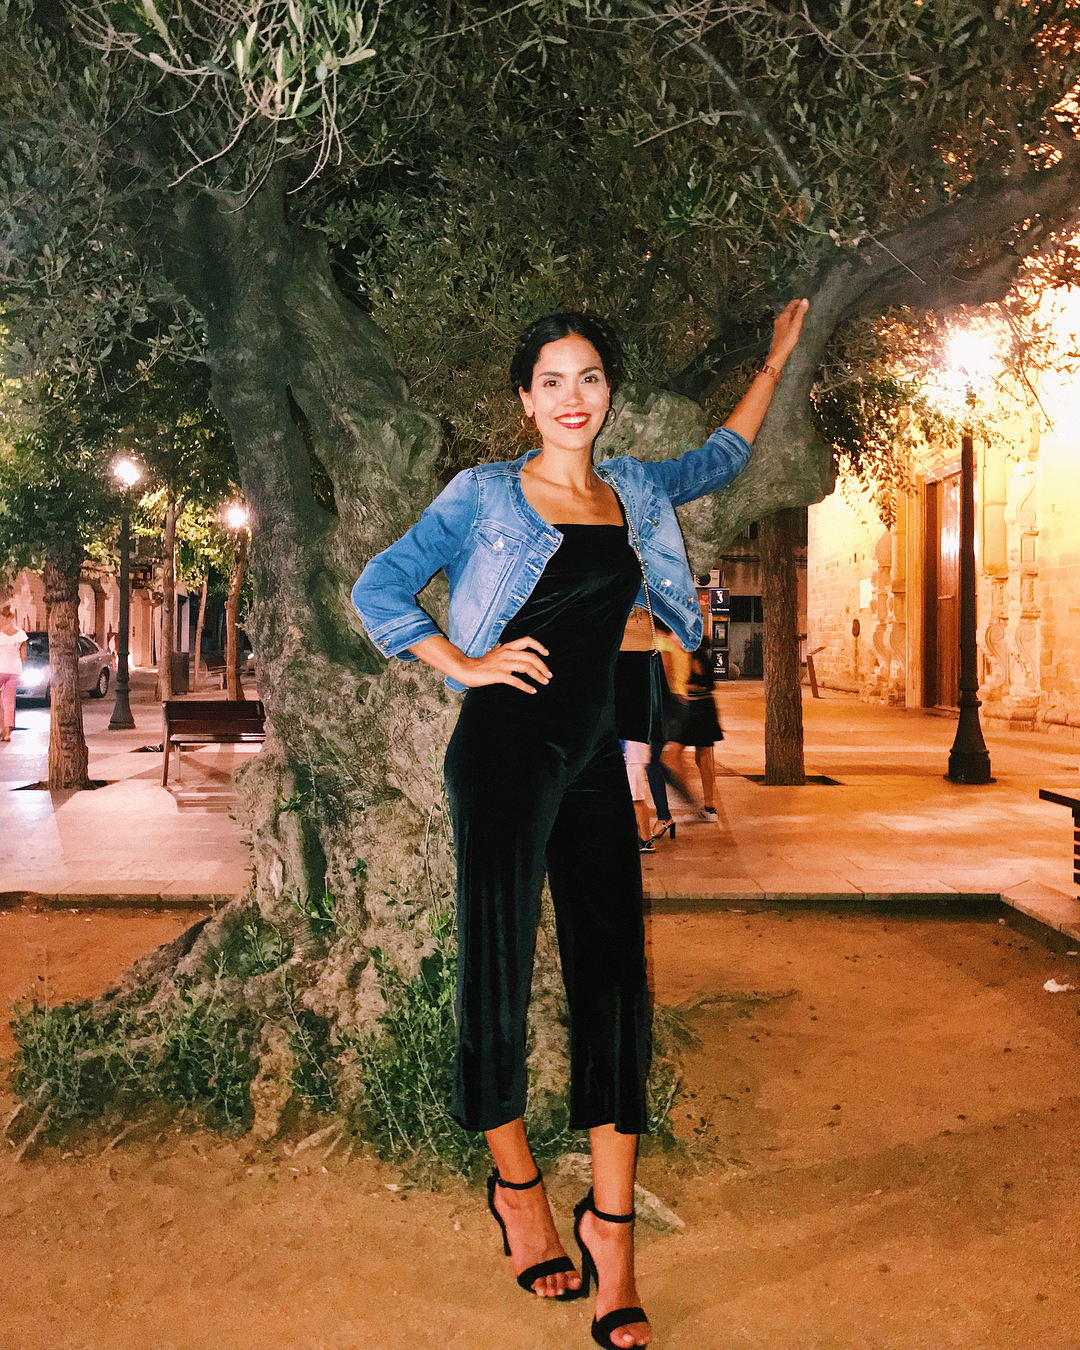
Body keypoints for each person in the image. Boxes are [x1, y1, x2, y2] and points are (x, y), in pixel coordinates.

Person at [352, 300, 808, 1349]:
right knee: (498, 964)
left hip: (599, 755)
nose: (572, 398)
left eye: (589, 378)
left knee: (613, 978)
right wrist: (463, 663)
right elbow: (380, 585)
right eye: (551, 381)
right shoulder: (483, 494)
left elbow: (723, 458)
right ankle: (517, 1190)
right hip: (505, 753)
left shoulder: (633, 488)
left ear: (609, 393)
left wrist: (775, 362)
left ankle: (611, 1228)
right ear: (525, 399)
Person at [662, 589, 724, 820]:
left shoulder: (686, 647)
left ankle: (697, 802)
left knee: (681, 756)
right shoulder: (694, 645)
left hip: (695, 707)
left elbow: (700, 680)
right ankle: (706, 805)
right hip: (702, 706)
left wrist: (681, 687)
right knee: (699, 756)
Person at [0, 604, 28, 743]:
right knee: (9, 701)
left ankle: (1, 728)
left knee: (1, 701)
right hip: (15, 671)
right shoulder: (21, 634)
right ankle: (7, 733)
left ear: (4, 617)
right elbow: (24, 656)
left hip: (1, 668)